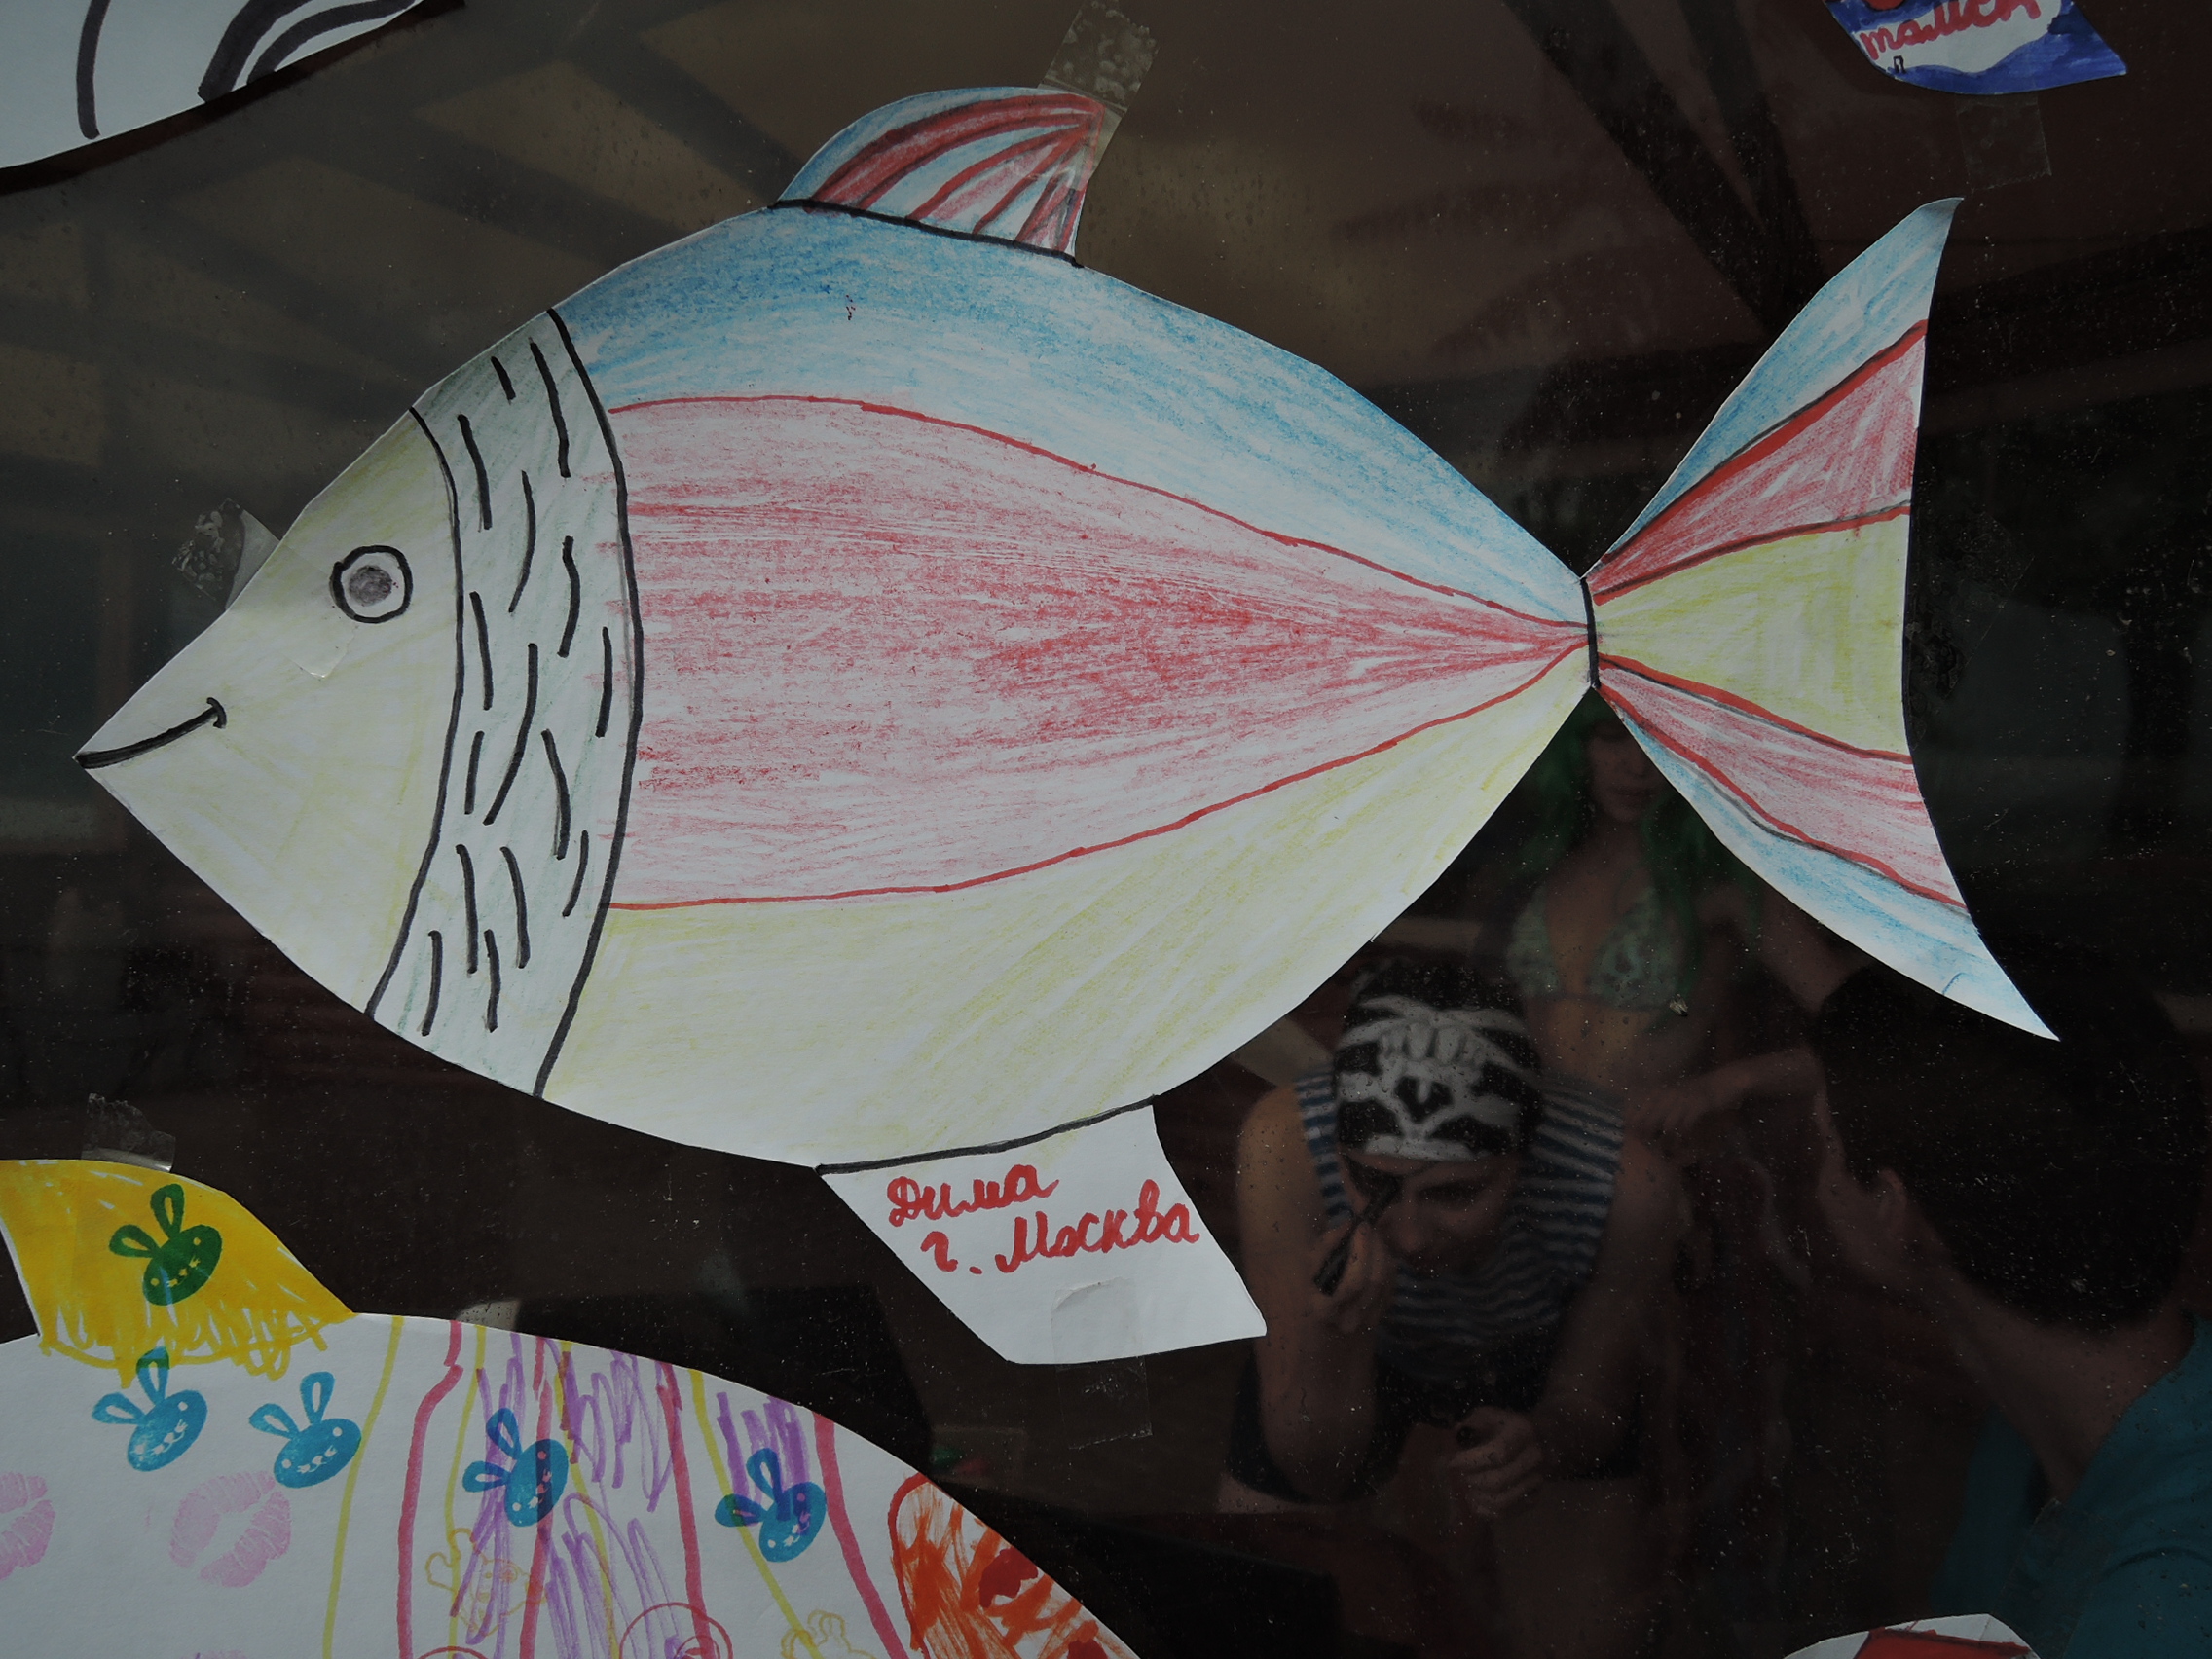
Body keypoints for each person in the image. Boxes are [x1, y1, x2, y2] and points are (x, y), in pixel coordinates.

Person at [1226, 957, 1684, 1658]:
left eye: (1457, 1193)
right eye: (1373, 1184)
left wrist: (1546, 1439)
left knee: (1583, 1636)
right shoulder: (1284, 1144)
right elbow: (1312, 1469)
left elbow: (1593, 1406)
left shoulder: (1624, 1184)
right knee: (1261, 1615)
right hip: (1370, 1349)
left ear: (1527, 1156)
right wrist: (1337, 1344)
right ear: (1339, 1147)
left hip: (1531, 1342)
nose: (1410, 1237)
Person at [1811, 947, 2212, 1658]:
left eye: (1825, 1144)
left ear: (1892, 1208)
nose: (1818, 1177)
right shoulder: (2032, 1428)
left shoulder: (2175, 1599)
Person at [1499, 694, 1857, 1138]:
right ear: (1575, 745)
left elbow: (1871, 1035)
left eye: (1661, 741)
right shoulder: (1539, 871)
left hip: (1653, 1153)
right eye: (1613, 736)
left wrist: (1725, 1085)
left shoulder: (1718, 884)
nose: (1637, 767)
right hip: (1528, 1143)